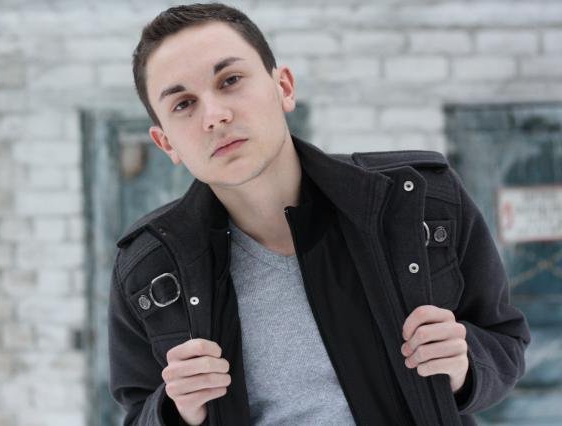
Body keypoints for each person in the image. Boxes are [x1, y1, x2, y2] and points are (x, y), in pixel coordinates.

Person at [108, 3, 530, 425]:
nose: (215, 116)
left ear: (284, 87)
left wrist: (463, 364)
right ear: (166, 143)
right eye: (183, 104)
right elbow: (138, 411)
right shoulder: (149, 266)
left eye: (230, 80)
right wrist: (175, 410)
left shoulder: (416, 199)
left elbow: (504, 341)